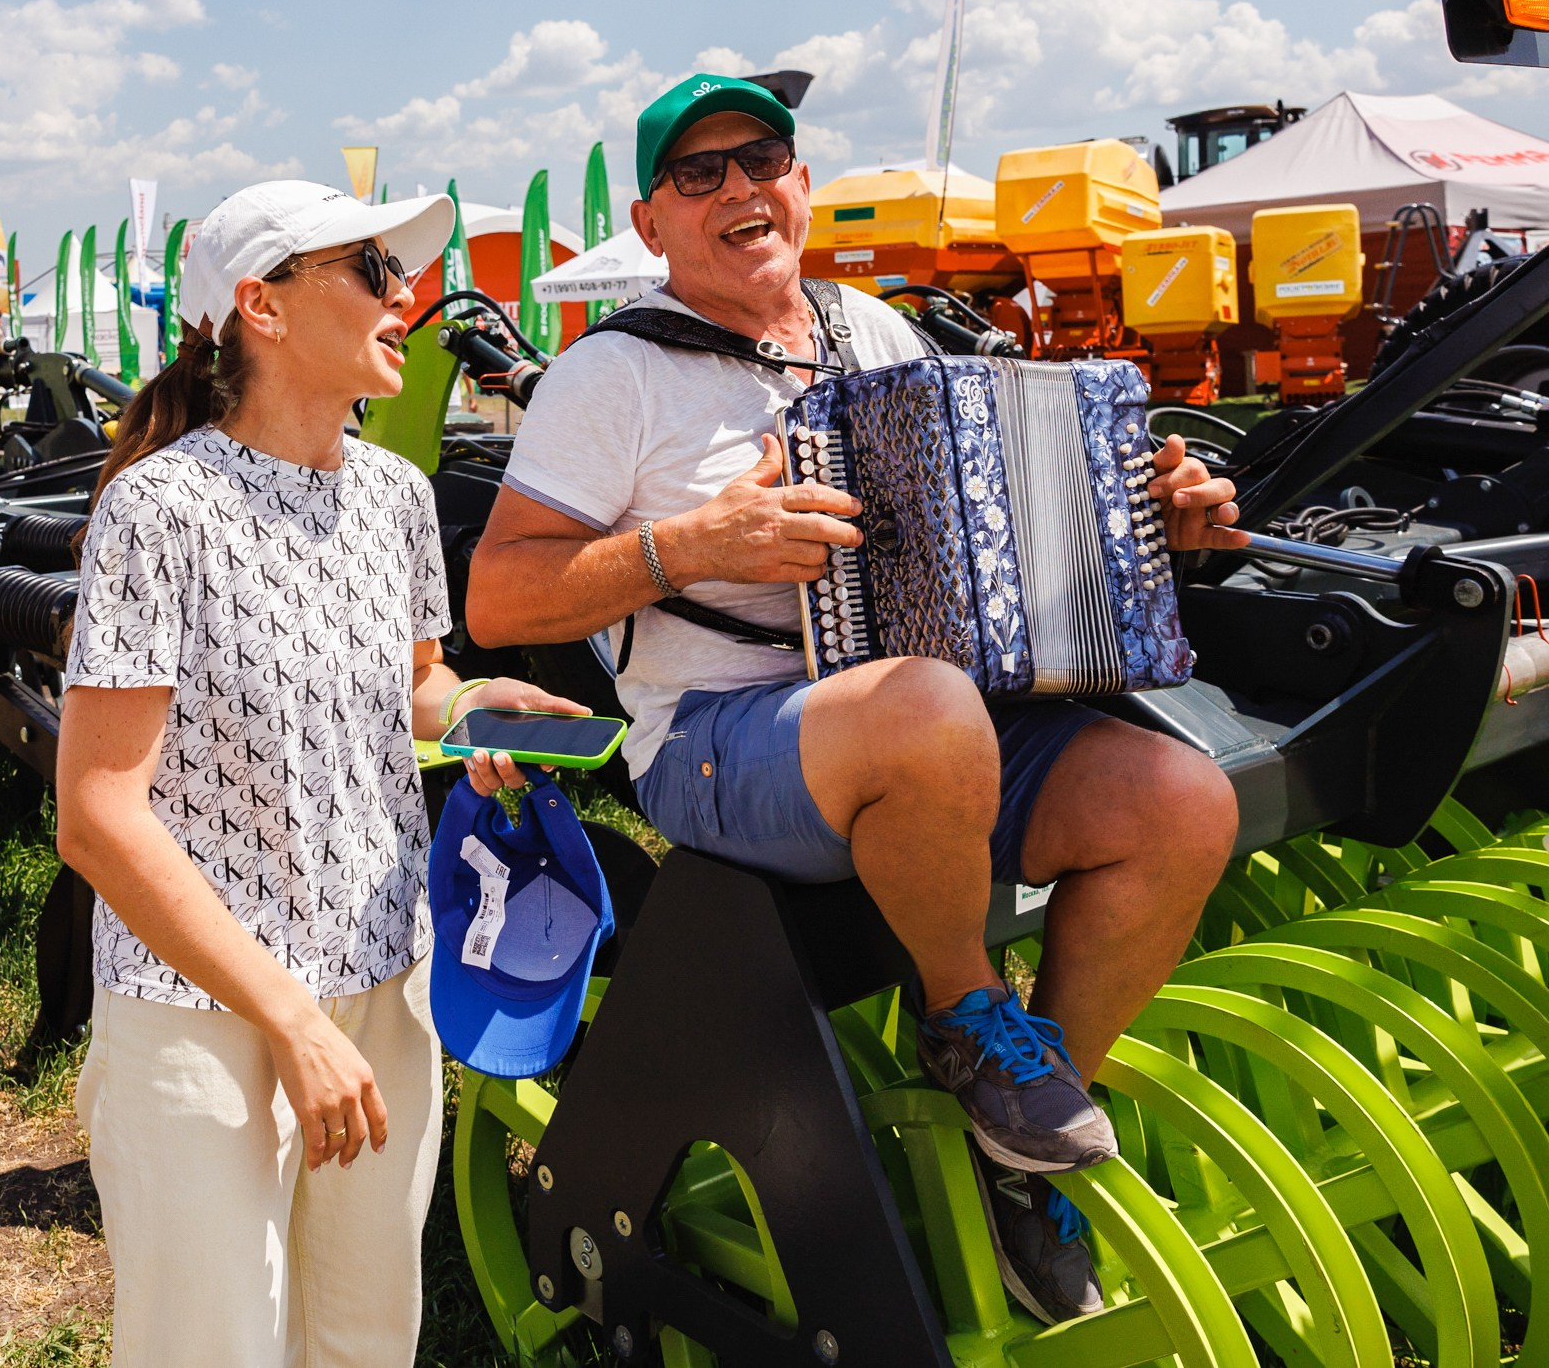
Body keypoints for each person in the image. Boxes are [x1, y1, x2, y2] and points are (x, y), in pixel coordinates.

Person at [463, 73, 1245, 1326]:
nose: (738, 188)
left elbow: (983, 538)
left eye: (760, 158)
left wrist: (1150, 530)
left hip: (914, 727)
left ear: (802, 183)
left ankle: (1015, 1154)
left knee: (1179, 798)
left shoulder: (873, 333)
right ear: (652, 226)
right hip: (717, 742)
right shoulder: (611, 376)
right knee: (927, 706)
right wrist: (692, 547)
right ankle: (966, 1019)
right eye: (697, 173)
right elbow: (497, 597)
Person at [56, 180, 587, 1368]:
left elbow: (412, 690)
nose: (408, 300)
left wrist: (475, 709)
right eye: (373, 272)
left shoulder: (396, 498)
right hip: (202, 1014)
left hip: (378, 991)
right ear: (263, 306)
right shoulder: (161, 509)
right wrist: (287, 1018)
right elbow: (96, 816)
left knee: (363, 1345)